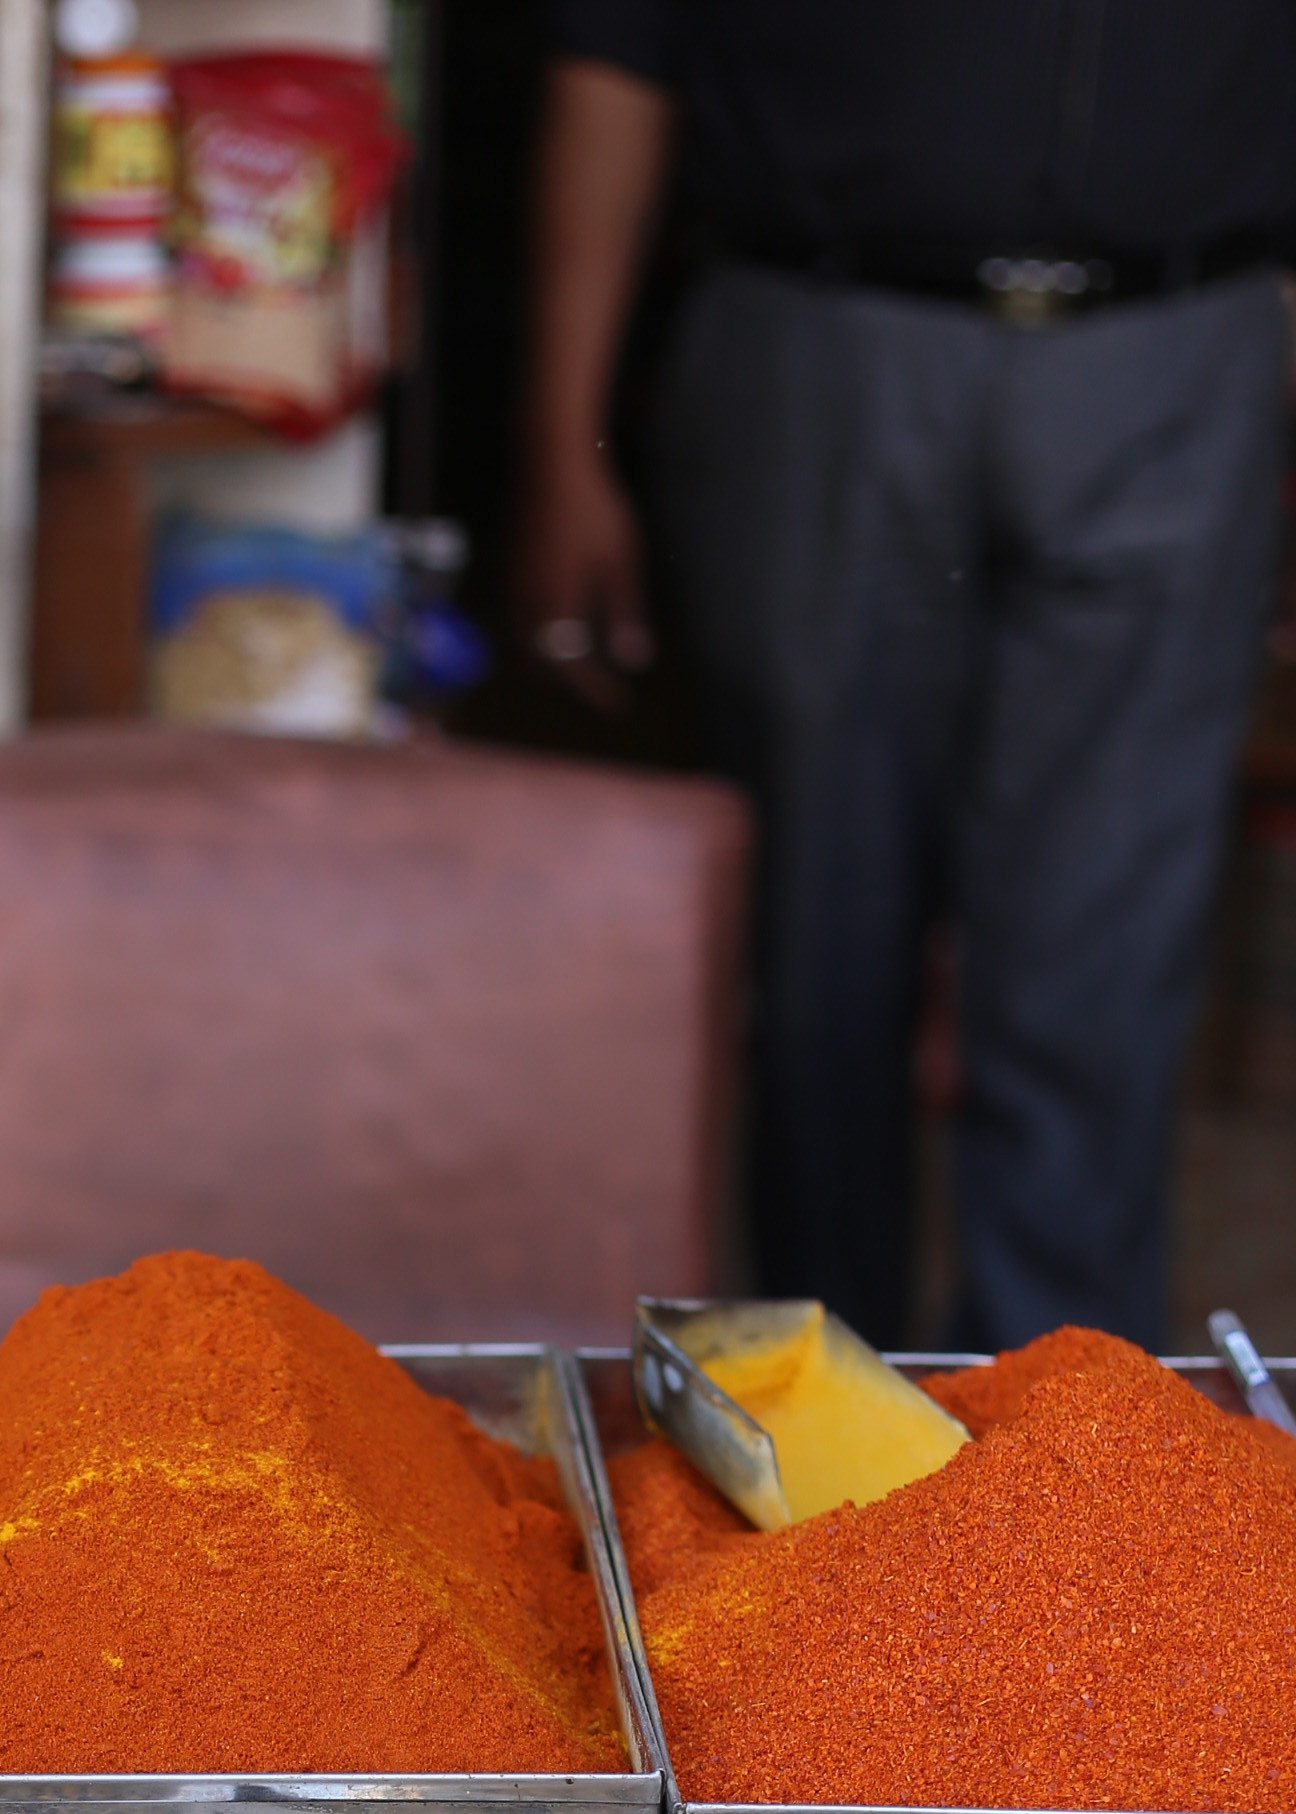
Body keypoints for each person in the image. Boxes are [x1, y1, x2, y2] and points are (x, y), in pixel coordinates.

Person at [520, 6, 1296, 1350]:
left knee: (1101, 976)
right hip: (821, 339)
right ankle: (822, 1467)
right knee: (817, 958)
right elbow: (615, 59)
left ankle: (1062, 1463)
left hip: (1180, 349)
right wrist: (561, 445)